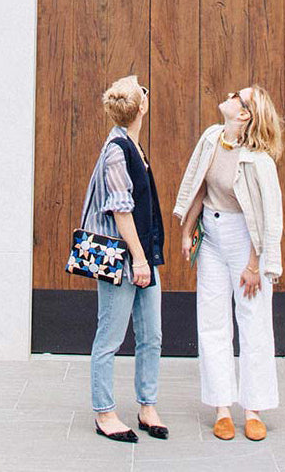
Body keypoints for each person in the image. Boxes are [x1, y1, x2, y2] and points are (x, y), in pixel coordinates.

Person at [173, 85, 284, 442]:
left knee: (253, 320)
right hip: (213, 233)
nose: (231, 96)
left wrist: (255, 265)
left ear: (245, 114)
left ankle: (253, 409)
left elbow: (268, 217)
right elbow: (198, 186)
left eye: (239, 96)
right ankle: (222, 407)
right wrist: (188, 229)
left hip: (244, 241)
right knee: (212, 318)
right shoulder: (212, 137)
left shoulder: (259, 161)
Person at [82, 75, 168, 443]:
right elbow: (120, 210)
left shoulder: (133, 145)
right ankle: (104, 412)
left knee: (152, 335)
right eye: (143, 90)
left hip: (143, 254)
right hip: (125, 258)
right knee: (110, 337)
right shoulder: (117, 149)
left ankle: (147, 406)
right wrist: (138, 259)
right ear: (142, 107)